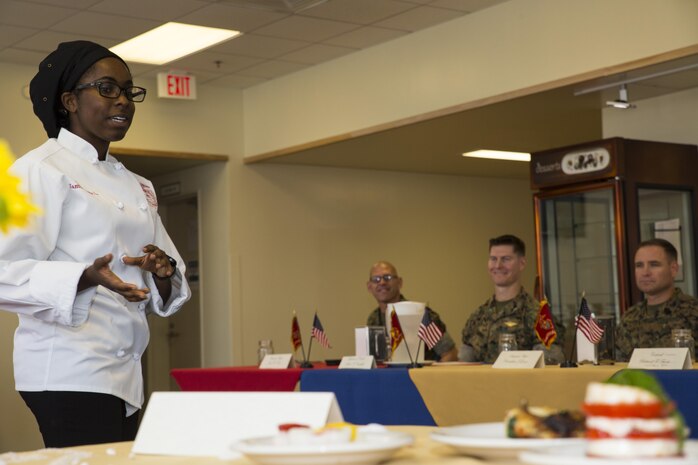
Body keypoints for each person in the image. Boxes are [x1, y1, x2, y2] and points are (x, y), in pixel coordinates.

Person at [0, 41, 191, 447]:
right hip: (67, 368)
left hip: (125, 373)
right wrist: (83, 277)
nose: (123, 100)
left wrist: (163, 270)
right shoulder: (35, 169)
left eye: (129, 90)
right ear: (69, 100)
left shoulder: (138, 184)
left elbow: (169, 277)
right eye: (107, 88)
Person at [461, 234, 565, 363]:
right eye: (493, 259)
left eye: (506, 259)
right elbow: (463, 364)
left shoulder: (539, 315)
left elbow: (551, 362)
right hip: (481, 383)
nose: (498, 265)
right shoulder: (478, 316)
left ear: (521, 264)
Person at [615, 238, 698, 361]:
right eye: (639, 265)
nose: (645, 272)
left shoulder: (693, 313)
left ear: (673, 269)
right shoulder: (629, 318)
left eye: (654, 264)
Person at [366, 260, 458, 361]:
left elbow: (450, 354)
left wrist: (431, 376)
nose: (382, 282)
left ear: (399, 283)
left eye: (387, 277)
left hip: (420, 375)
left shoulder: (419, 315)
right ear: (369, 287)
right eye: (376, 279)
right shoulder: (373, 319)